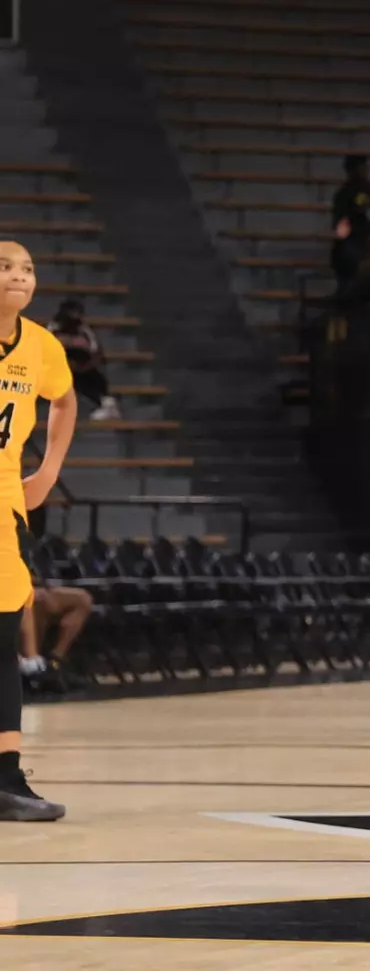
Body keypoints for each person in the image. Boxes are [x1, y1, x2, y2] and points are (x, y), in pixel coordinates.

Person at [0, 242, 79, 821]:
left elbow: (66, 400)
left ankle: (6, 780)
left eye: (28, 267)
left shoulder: (42, 346)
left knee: (3, 641)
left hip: (5, 504)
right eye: (5, 267)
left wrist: (48, 469)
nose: (18, 276)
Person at [49, 300, 115, 421]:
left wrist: (84, 366)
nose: (75, 316)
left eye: (77, 313)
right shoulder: (53, 328)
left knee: (93, 376)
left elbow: (96, 352)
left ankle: (107, 404)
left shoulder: (85, 330)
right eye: (71, 313)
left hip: (81, 367)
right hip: (57, 368)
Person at [18, 586, 94, 685]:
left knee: (83, 599)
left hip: (35, 588)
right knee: (35, 602)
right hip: (12, 596)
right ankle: (33, 664)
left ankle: (55, 660)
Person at [330, 154, 370, 290]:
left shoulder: (366, 192)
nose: (366, 171)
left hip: (361, 246)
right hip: (351, 248)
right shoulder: (349, 194)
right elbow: (341, 224)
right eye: (363, 168)